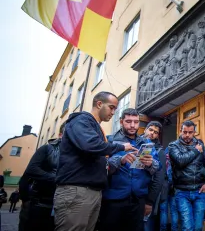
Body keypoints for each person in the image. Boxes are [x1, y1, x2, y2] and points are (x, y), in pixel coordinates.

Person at [54, 91, 137, 231]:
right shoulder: (81, 120)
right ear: (99, 104)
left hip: (92, 193)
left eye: (115, 109)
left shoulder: (95, 127)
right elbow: (90, 145)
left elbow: (97, 161)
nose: (113, 112)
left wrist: (121, 161)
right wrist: (121, 146)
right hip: (77, 191)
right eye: (111, 107)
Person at [98, 108, 160, 231]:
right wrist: (120, 160)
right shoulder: (109, 141)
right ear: (121, 122)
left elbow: (157, 168)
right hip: (113, 199)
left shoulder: (146, 143)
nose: (132, 125)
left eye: (136, 122)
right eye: (128, 121)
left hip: (138, 199)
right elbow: (101, 168)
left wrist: (150, 163)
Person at [169, 120, 205, 231]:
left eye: (190, 132)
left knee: (198, 227)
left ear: (194, 132)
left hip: (199, 191)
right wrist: (196, 151)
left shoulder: (200, 145)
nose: (187, 135)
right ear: (180, 131)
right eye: (185, 132)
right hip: (182, 192)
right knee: (187, 227)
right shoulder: (173, 146)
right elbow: (180, 160)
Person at [19, 123, 65, 231]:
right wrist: (57, 179)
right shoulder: (46, 149)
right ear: (60, 135)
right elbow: (31, 170)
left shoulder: (73, 154)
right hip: (37, 204)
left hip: (57, 207)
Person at [143, 121, 179, 231]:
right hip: (129, 194)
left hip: (149, 194)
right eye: (150, 130)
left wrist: (150, 201)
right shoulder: (134, 143)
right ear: (145, 129)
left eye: (156, 132)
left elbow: (159, 178)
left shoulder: (160, 152)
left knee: (147, 224)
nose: (152, 133)